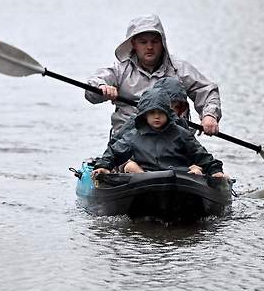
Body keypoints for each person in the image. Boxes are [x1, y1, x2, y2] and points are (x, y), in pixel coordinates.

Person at [85, 14, 221, 136]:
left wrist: (209, 115)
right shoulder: (119, 70)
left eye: (154, 42)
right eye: (143, 42)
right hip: (128, 139)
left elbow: (207, 90)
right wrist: (102, 87)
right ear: (133, 44)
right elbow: (92, 90)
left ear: (162, 43)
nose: (149, 47)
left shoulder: (180, 69)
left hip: (173, 139)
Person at [91, 90, 226, 179]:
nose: (156, 117)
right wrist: (103, 166)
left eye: (161, 113)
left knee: (196, 171)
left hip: (179, 178)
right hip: (146, 177)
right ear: (144, 115)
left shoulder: (181, 134)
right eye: (151, 113)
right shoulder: (133, 136)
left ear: (168, 113)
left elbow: (201, 155)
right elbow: (114, 152)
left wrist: (215, 171)